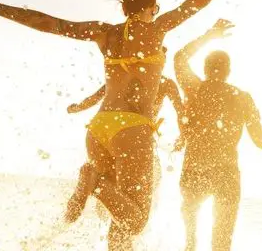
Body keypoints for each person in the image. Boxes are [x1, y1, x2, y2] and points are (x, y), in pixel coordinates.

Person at [0, 0, 258, 251]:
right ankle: (94, 183)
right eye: (156, 8)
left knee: (120, 217)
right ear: (149, 8)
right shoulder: (157, 30)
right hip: (132, 130)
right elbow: (198, 1)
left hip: (99, 129)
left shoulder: (104, 33)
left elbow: (51, 24)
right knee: (137, 219)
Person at [172, 18, 262, 251]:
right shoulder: (242, 97)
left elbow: (179, 57)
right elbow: (261, 141)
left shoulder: (196, 88)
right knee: (222, 241)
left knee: (189, 209)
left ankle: (190, 241)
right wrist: (258, 126)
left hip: (195, 167)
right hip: (226, 172)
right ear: (228, 71)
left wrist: (209, 35)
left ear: (205, 69)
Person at [66, 75, 184, 210]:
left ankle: (65, 221)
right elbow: (180, 111)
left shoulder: (120, 78)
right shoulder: (165, 83)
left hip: (101, 129)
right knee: (144, 188)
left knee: (105, 180)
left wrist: (76, 108)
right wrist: (182, 137)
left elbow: (95, 98)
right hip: (134, 135)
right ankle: (122, 220)